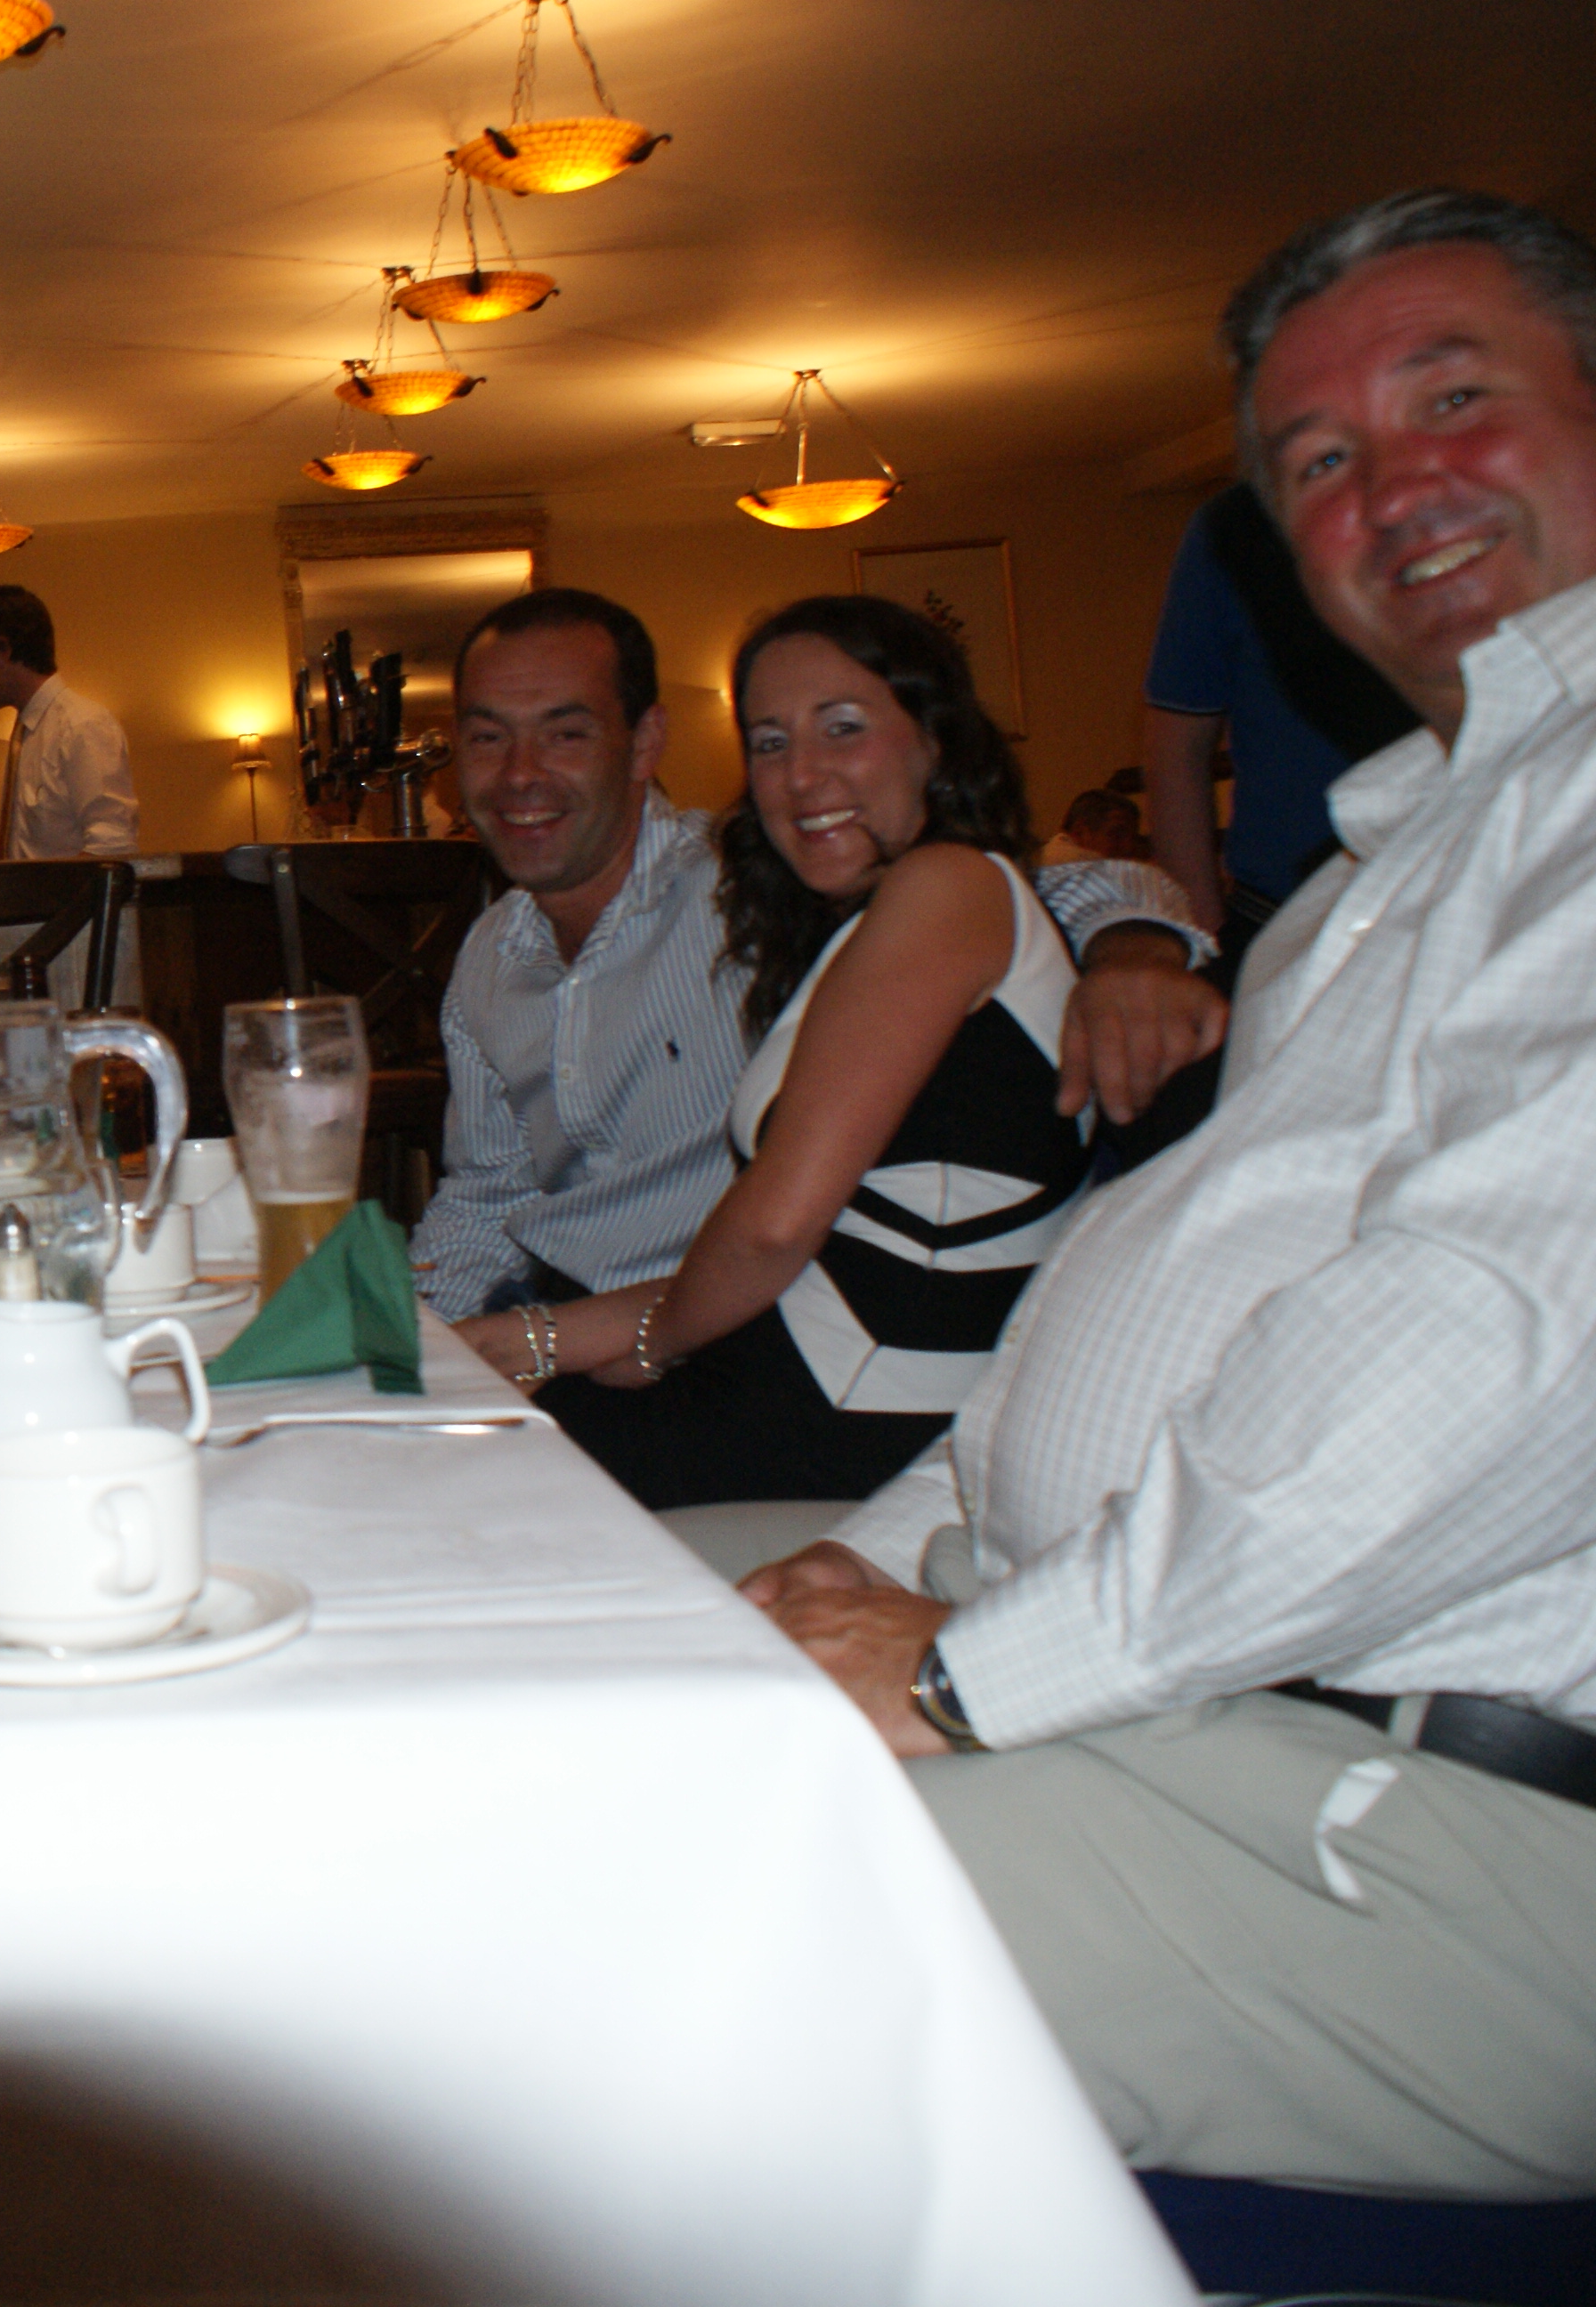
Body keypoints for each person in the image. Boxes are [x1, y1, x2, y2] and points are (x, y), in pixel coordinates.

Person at [747, 187, 1596, 2198]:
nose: (1392, 487)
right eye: (1318, 460)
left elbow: (1482, 1354)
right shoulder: (1371, 880)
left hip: (1448, 1820)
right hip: (1187, 1675)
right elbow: (1093, 1335)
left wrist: (958, 1671)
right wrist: (858, 1574)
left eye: (1451, 397)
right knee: (606, 1678)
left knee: (658, 1899)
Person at [408, 587, 1224, 1331]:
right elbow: (489, 1192)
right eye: (488, 737)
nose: (519, 775)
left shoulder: (755, 876)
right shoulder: (488, 956)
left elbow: (1031, 888)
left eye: (565, 734)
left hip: (733, 1327)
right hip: (556, 1319)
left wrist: (1134, 954)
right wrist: (409, 1335)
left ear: (645, 742)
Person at [455, 597, 1094, 1509]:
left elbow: (773, 1229)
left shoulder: (948, 887)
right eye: (769, 742)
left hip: (857, 1414)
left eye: (842, 727)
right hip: (819, 1373)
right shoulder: (871, 916)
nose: (802, 775)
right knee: (443, 1421)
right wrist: (532, 1336)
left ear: (935, 739)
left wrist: (639, 1343)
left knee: (442, 1475)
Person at [1141, 478, 1422, 938]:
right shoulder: (1236, 524)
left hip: (1467, 894)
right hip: (1282, 914)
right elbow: (1175, 747)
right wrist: (1202, 929)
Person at [0, 584, 137, 859]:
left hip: (63, 890)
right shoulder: (28, 732)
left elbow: (111, 845)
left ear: (3, 650)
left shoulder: (83, 726)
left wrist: (58, 891)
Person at [1036, 785, 1142, 867]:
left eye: (1134, 837)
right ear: (1079, 832)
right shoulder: (1082, 864)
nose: (1129, 847)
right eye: (1117, 835)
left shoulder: (1046, 855)